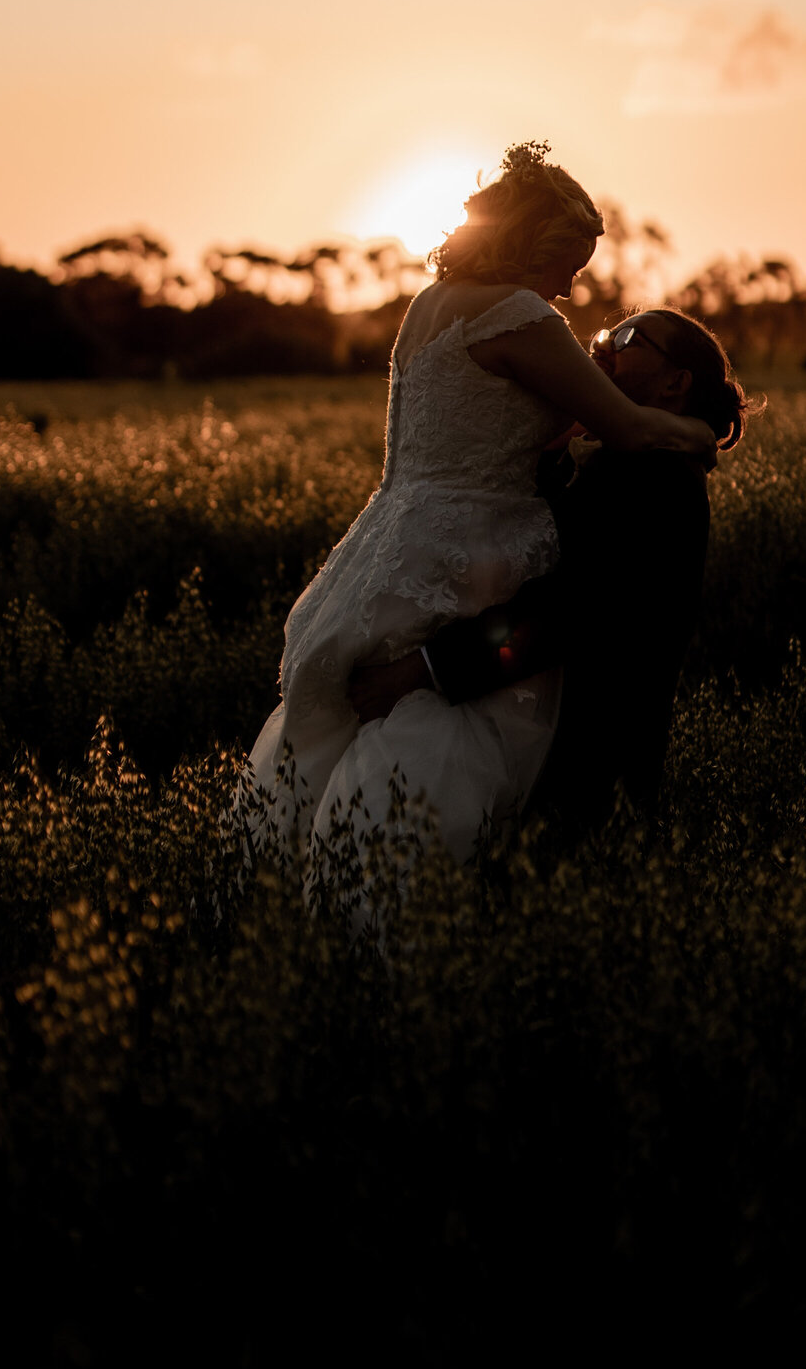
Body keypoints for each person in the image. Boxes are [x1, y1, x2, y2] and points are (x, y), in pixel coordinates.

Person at [245, 145, 717, 871]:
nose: (575, 284)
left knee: (376, 737)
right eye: (574, 260)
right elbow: (622, 426)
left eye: (627, 337)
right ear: (543, 242)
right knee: (437, 746)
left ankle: (327, 906)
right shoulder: (520, 314)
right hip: (469, 549)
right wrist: (699, 431)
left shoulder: (427, 306)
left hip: (394, 542)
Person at [348, 310, 752, 852]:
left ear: (674, 382)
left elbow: (568, 612)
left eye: (627, 338)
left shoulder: (656, 481)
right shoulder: (629, 463)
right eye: (605, 334)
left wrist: (423, 670)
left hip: (587, 763)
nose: (604, 346)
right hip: (555, 748)